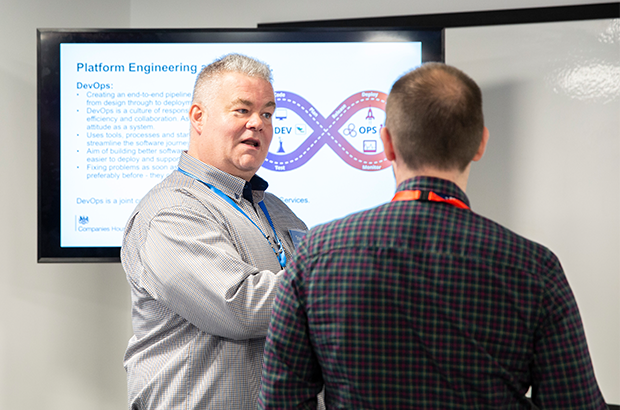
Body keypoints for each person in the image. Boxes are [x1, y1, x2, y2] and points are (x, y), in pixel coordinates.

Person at [258, 63, 608, 409]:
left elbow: (280, 401)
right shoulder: (535, 269)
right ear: (480, 144)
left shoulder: (317, 255)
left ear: (387, 144)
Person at [121, 53, 307, 409]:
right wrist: (340, 274)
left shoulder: (281, 213)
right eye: (242, 110)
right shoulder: (171, 211)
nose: (257, 124)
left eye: (267, 114)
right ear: (198, 117)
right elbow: (241, 307)